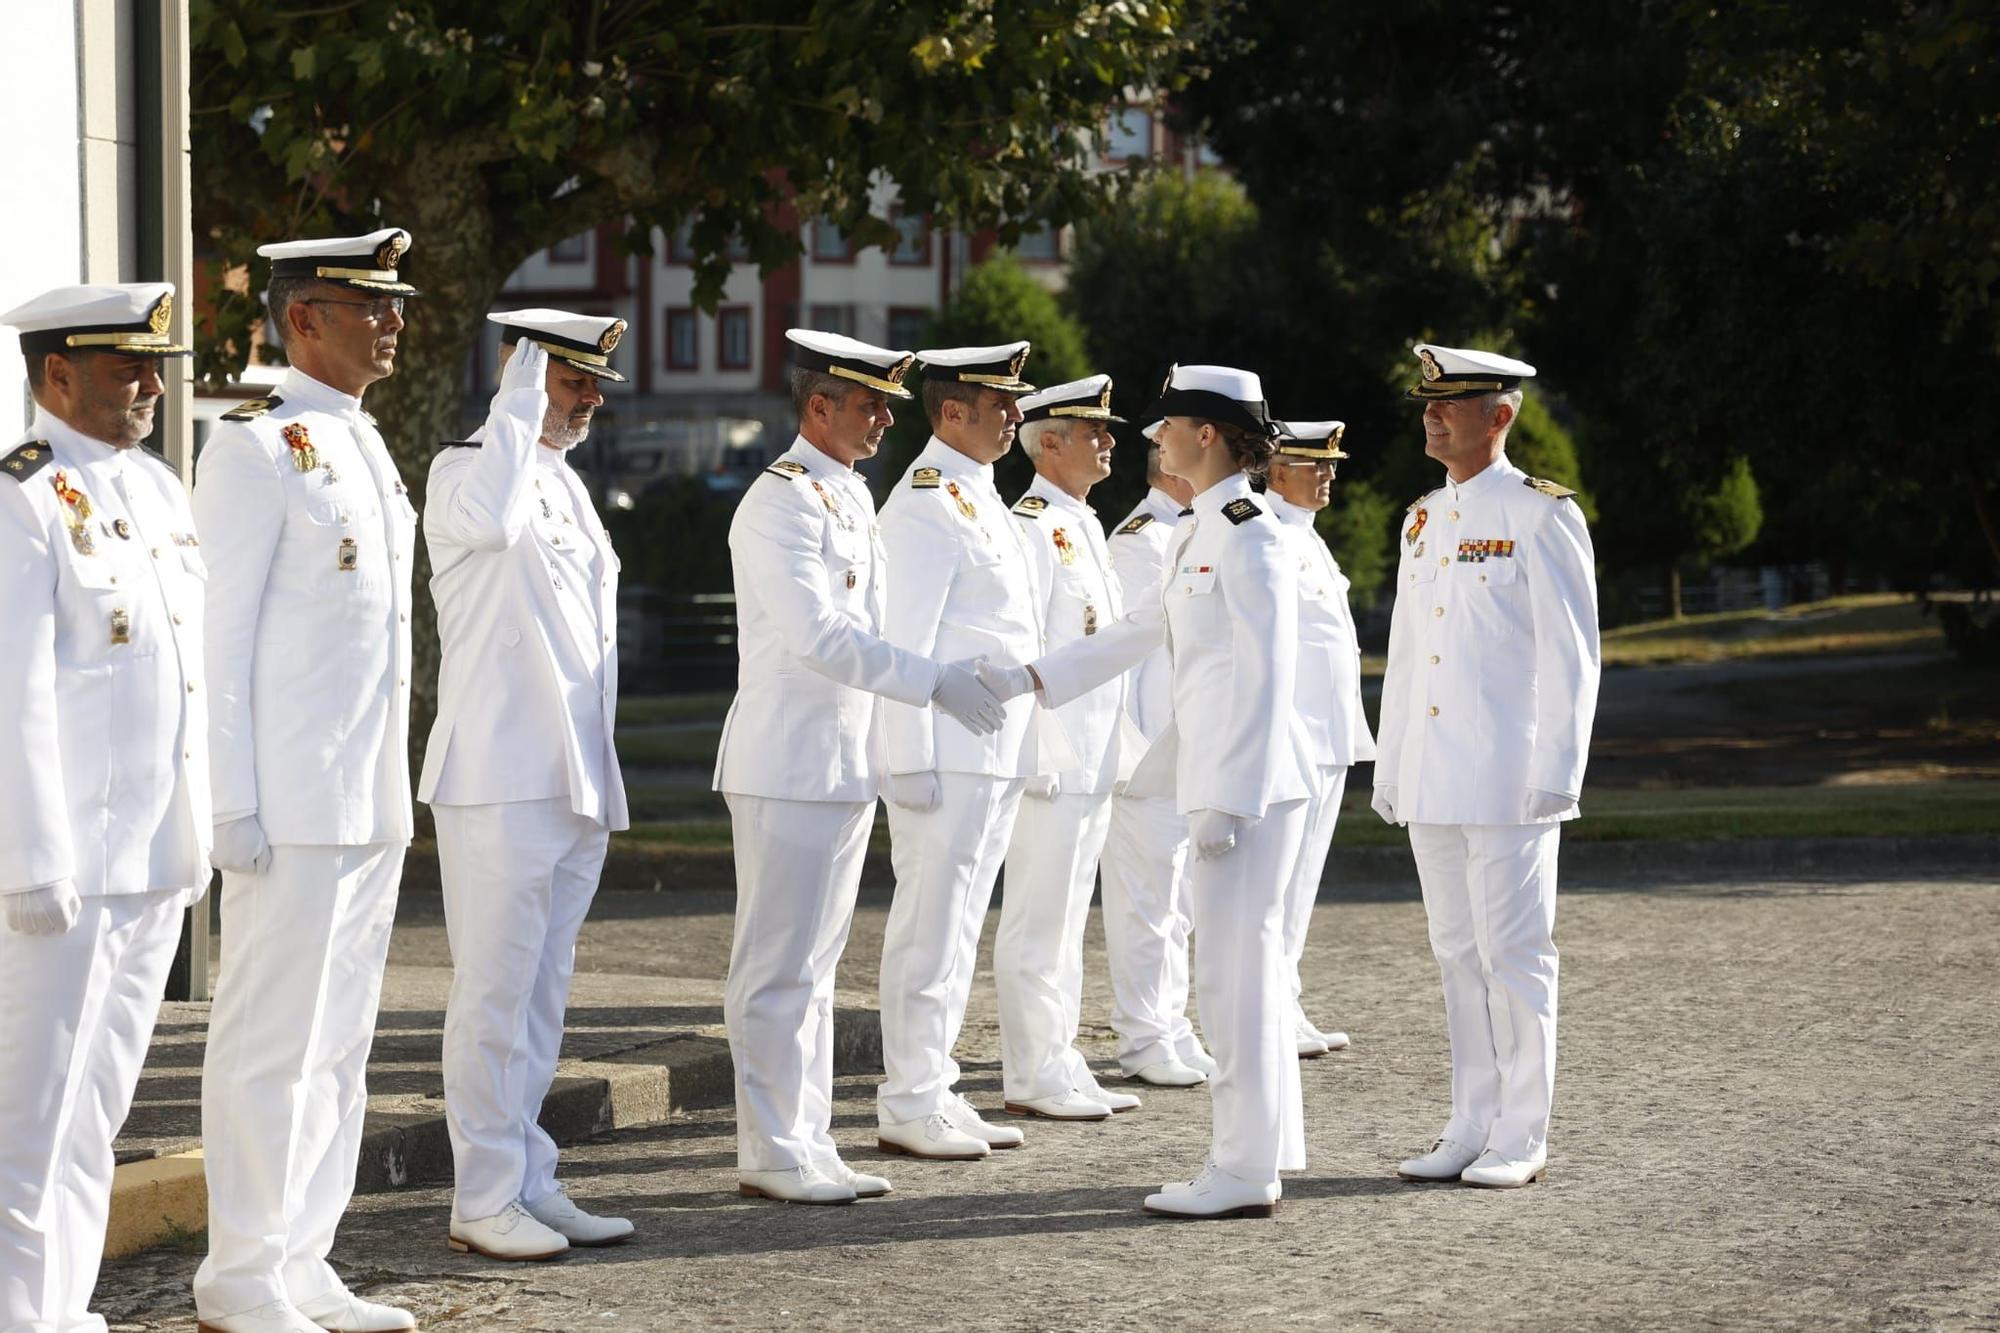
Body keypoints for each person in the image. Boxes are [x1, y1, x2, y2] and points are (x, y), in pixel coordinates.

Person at [982, 365, 1317, 1220]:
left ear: (1206, 434)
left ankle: (1241, 1167)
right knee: (1248, 972)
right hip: (1224, 782)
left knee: (1235, 979)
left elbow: (1272, 677)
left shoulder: (1249, 531)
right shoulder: (1203, 530)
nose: (1152, 438)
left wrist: (1227, 799)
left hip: (1245, 791)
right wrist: (1033, 676)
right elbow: (1141, 632)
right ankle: (1266, 1146)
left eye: (1167, 424)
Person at [716, 329, 1007, 1203]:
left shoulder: (844, 497)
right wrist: (932, 683)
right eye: (870, 402)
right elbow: (821, 636)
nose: (887, 417)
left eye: (886, 402)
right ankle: (770, 1147)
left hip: (840, 763)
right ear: (819, 407)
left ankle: (805, 1138)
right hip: (785, 759)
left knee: (815, 967)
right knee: (775, 965)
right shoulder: (781, 502)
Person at [192, 228, 421, 1333]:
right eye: (367, 304)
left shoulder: (362, 441)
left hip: (364, 796)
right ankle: (241, 1275)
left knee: (338, 1046)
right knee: (269, 1044)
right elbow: (217, 637)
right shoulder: (256, 446)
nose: (392, 322)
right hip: (285, 801)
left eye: (395, 304)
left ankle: (303, 1259)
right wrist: (227, 799)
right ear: (303, 318)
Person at [0, 284, 210, 1333]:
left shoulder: (160, 492)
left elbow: (181, 678)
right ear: (56, 377)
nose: (151, 384)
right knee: (29, 1112)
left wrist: (198, 825)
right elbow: (14, 690)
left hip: (152, 852)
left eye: (153, 366)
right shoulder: (21, 498)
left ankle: (59, 1305)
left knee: (97, 1108)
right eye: (126, 366)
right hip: (65, 866)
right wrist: (30, 859)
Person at [420, 310, 633, 1259]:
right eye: (570, 379)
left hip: (572, 774)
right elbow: (490, 526)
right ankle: (482, 1196)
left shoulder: (566, 485)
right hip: (498, 775)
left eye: (594, 384)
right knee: (495, 996)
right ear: (520, 376)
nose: (589, 398)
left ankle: (529, 1177)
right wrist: (515, 403)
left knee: (542, 998)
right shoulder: (467, 470)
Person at [1373, 343, 1600, 1191]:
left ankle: (1522, 1130)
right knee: (1454, 952)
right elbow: (1406, 655)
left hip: (1509, 776)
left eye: (1450, 405)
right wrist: (1392, 761)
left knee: (1515, 953)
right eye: (1426, 404)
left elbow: (1574, 657)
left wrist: (1558, 770)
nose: (1431, 416)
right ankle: (1470, 1120)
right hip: (1434, 773)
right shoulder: (1423, 517)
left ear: (1499, 417)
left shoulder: (1543, 514)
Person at [873, 341, 1045, 1162]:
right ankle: (907, 1097)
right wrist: (905, 756)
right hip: (944, 753)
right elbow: (900, 640)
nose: (1016, 415)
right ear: (951, 413)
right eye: (999, 403)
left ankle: (934, 1085)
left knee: (961, 927)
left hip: (990, 748)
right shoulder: (924, 504)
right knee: (929, 928)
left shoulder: (979, 497)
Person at [994, 375, 1142, 1120]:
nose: (1109, 440)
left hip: (1091, 754)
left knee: (1067, 920)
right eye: (1094, 430)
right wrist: (1045, 753)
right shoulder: (1030, 524)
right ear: (1048, 442)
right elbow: (1030, 653)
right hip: (1054, 757)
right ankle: (1030, 1070)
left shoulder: (1081, 520)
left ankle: (1061, 1055)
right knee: (1037, 917)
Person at [1098, 432, 1212, 1088]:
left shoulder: (1186, 532)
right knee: (1147, 900)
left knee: (1177, 898)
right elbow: (1128, 656)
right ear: (1170, 467)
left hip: (1180, 751)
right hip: (1146, 753)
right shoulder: (1143, 539)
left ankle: (1170, 1023)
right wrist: (1136, 757)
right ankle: (1144, 1035)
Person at [1264, 421, 1376, 1059]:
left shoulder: (1306, 537)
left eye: (1332, 463)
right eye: (1316, 465)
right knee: (1278, 886)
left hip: (1328, 735)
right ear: (1278, 471)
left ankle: (1286, 1000)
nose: (1330, 474)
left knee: (1301, 885)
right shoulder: (1272, 536)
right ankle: (1269, 1009)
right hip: (1295, 739)